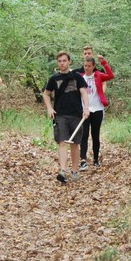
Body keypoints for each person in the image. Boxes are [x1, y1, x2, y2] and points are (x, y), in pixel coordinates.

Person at [43, 51, 90, 182]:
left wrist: (86, 108)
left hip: (76, 115)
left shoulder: (77, 77)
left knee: (75, 144)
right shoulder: (54, 78)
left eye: (64, 61)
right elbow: (46, 94)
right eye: (60, 61)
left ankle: (75, 170)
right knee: (62, 142)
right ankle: (63, 170)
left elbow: (84, 93)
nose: (62, 63)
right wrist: (49, 108)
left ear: (69, 62)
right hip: (60, 115)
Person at [78, 54, 114, 170]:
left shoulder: (98, 75)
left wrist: (104, 62)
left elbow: (110, 75)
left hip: (97, 109)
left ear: (93, 66)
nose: (86, 68)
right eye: (85, 66)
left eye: (89, 66)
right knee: (84, 135)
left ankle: (96, 159)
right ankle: (83, 160)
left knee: (95, 134)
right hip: (85, 110)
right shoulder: (80, 77)